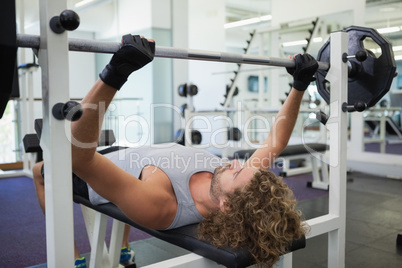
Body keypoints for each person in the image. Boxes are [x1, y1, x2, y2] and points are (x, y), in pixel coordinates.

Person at [33, 34, 318, 268]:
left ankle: (72, 261)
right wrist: (300, 85)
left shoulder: (160, 203)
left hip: (88, 167)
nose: (234, 162)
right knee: (135, 170)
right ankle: (122, 251)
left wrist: (116, 73)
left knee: (40, 172)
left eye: (238, 171)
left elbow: (79, 156)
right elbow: (274, 141)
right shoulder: (237, 187)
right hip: (132, 157)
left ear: (227, 207)